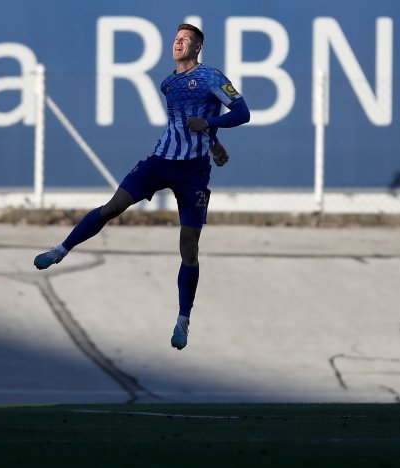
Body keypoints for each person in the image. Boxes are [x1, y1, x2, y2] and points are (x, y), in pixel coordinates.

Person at [33, 23, 250, 350]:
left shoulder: (211, 77)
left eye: (184, 40)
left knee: (189, 246)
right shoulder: (168, 83)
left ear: (197, 48)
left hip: (194, 172)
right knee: (113, 207)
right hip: (160, 160)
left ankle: (183, 319)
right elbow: (186, 123)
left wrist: (212, 127)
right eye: (176, 39)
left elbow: (242, 113)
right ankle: (60, 250)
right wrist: (213, 139)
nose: (177, 43)